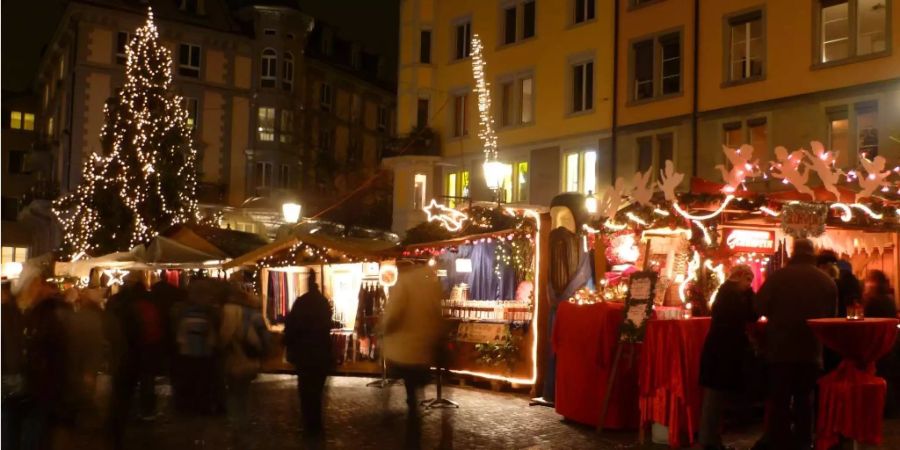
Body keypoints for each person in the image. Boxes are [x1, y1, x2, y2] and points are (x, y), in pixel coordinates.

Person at [755, 239, 837, 450]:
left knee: (779, 400)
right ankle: (803, 441)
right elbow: (831, 316)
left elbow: (759, 307)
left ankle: (779, 441)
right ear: (813, 254)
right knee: (805, 400)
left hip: (780, 349)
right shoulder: (826, 280)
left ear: (793, 253)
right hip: (811, 349)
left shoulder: (778, 277)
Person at [699, 265, 757, 450]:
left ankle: (711, 439)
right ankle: (709, 440)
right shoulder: (732, 294)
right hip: (722, 352)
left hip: (719, 350)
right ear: (740, 277)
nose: (749, 285)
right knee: (715, 398)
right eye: (748, 280)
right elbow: (751, 314)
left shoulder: (726, 292)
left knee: (715, 397)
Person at [18, 271, 73, 450]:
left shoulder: (48, 314)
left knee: (37, 430)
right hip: (39, 383)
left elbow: (57, 351)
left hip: (43, 384)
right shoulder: (36, 313)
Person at [382, 263, 445, 413]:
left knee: (407, 386)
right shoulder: (431, 284)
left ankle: (397, 414)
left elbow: (393, 313)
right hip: (423, 348)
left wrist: (384, 328)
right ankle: (414, 417)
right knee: (415, 388)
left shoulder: (403, 283)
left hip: (403, 349)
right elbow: (437, 314)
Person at [219, 277, 269, 447]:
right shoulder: (252, 313)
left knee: (233, 391)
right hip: (248, 359)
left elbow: (222, 337)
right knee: (244, 392)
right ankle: (243, 421)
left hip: (232, 358)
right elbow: (264, 337)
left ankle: (236, 423)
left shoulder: (225, 311)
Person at [284, 270, 333, 437]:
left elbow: (290, 328)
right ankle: (316, 424)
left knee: (305, 391)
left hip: (304, 354)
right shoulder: (323, 303)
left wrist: (290, 347)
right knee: (317, 391)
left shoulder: (301, 302)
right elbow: (327, 327)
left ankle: (309, 424)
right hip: (320, 354)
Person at [104, 273, 146, 449]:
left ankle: (113, 426)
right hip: (130, 354)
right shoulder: (135, 307)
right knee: (125, 393)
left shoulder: (114, 304)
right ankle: (120, 426)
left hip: (116, 353)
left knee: (116, 392)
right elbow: (138, 333)